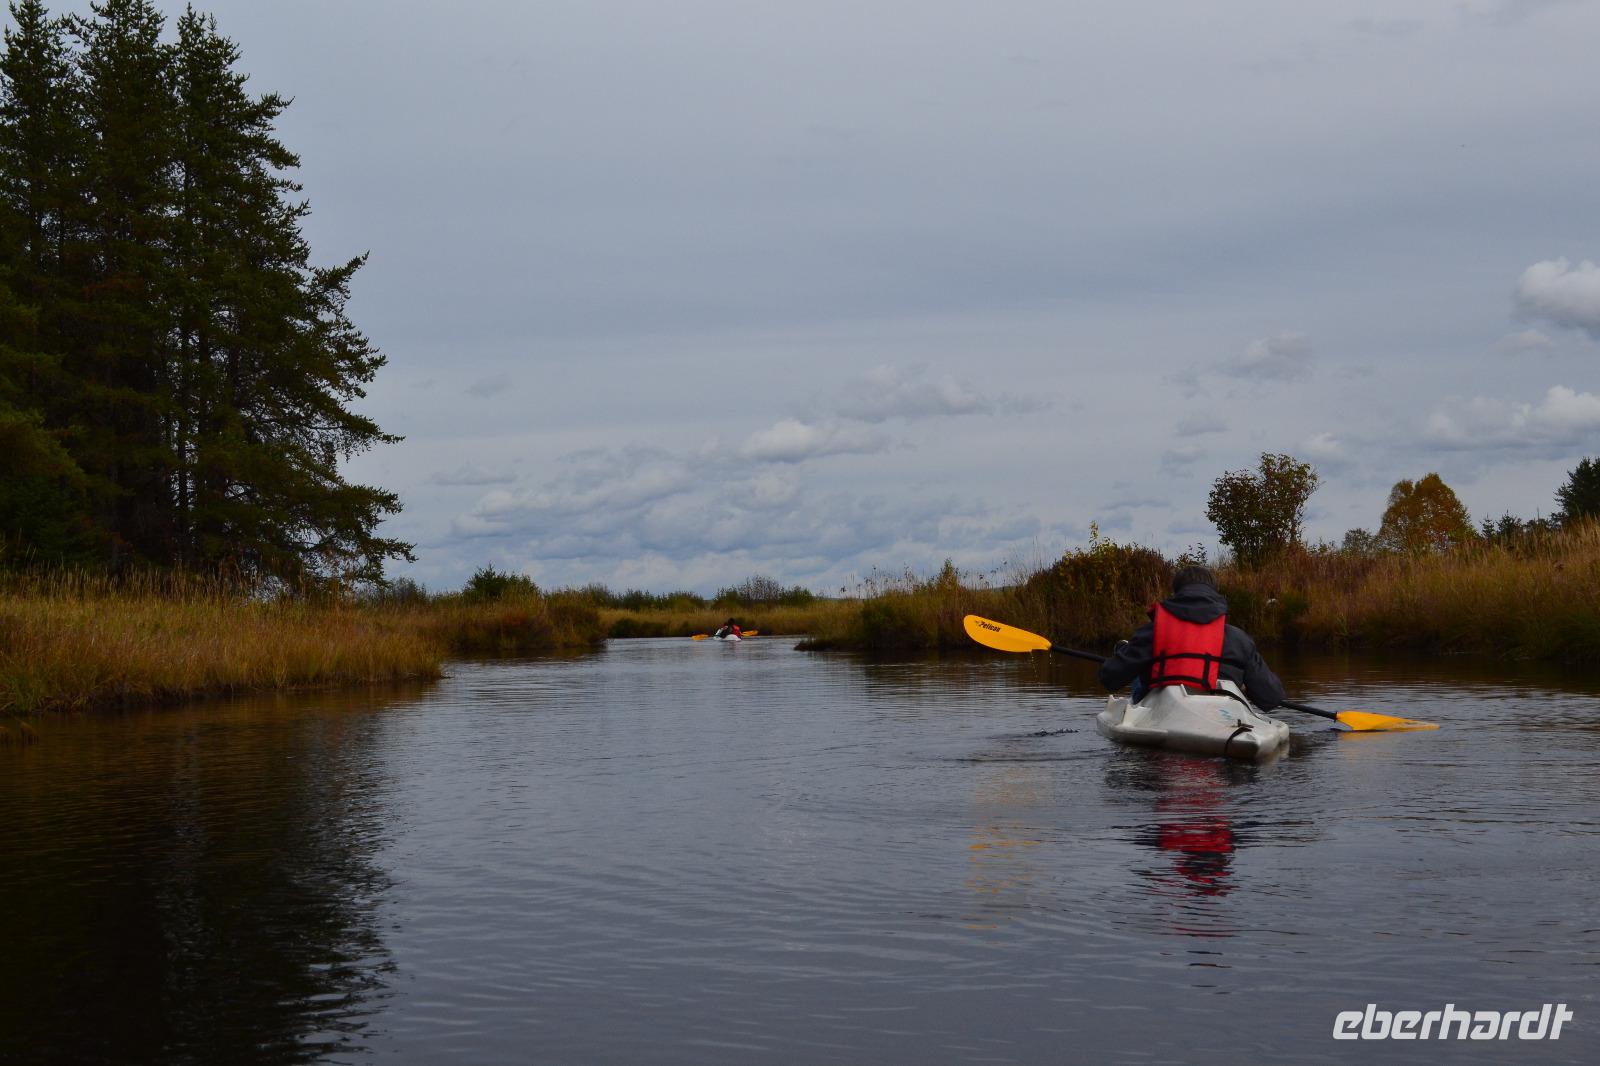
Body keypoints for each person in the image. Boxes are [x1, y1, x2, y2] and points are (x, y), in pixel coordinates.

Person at [1098, 565, 1284, 709]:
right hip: (1225, 716)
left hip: (1163, 713)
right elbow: (1272, 698)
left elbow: (1109, 678)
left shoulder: (1152, 631)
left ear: (1177, 593)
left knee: (1140, 672)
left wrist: (1123, 654)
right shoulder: (1239, 639)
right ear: (1214, 593)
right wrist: (1245, 687)